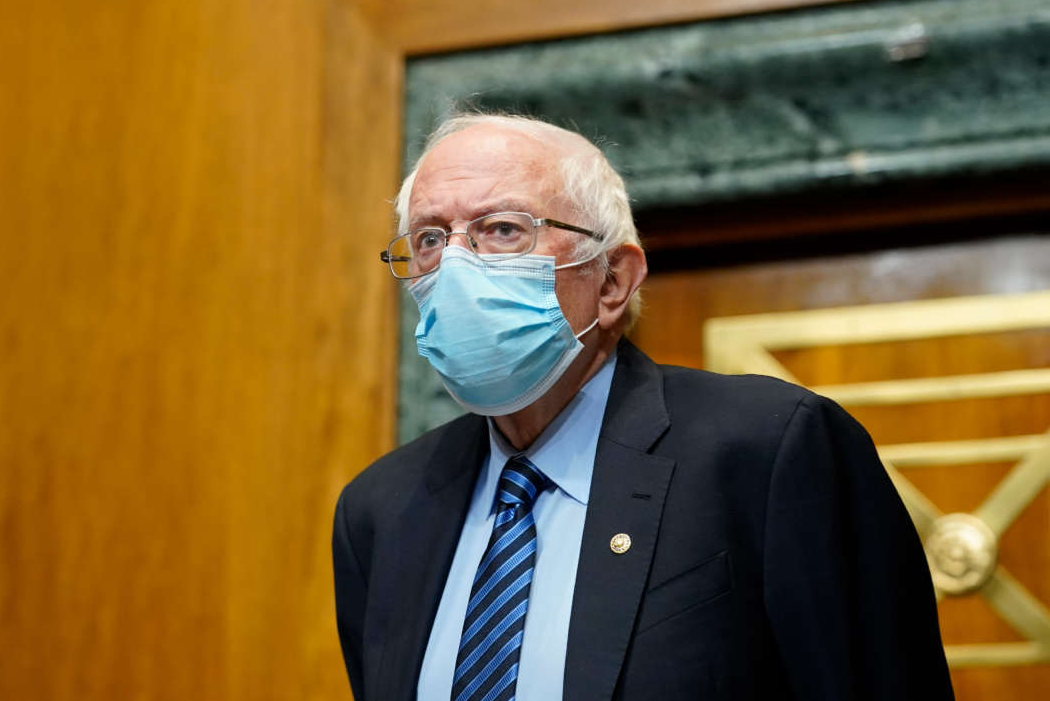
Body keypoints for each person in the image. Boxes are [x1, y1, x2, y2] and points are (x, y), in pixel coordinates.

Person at [332, 114, 954, 701]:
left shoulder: (767, 451)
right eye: (431, 238)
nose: (459, 265)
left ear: (611, 281)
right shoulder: (383, 509)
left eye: (503, 230)